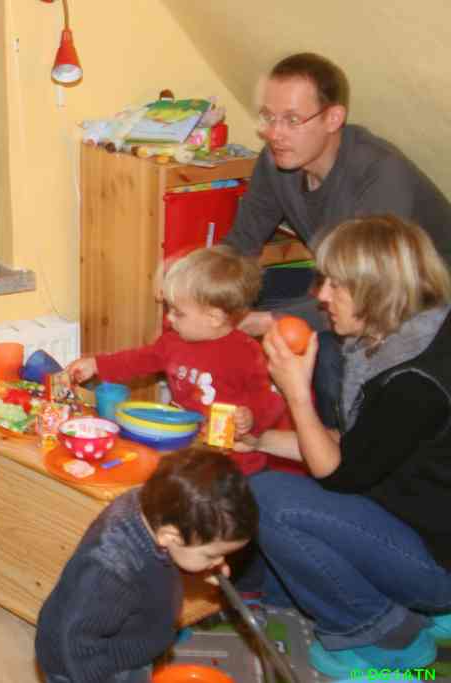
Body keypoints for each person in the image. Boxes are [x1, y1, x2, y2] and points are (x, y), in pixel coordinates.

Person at [240, 215, 451, 679]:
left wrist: (296, 392)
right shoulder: (411, 337)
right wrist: (257, 439)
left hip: (438, 558)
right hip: (426, 524)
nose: (321, 295)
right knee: (276, 515)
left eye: (337, 284)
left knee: (267, 499)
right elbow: (359, 447)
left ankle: (384, 632)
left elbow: (339, 473)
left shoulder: (413, 383)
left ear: (378, 290)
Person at [222, 52, 451, 426]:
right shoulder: (276, 160)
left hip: (416, 304)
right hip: (345, 287)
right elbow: (241, 243)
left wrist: (266, 321)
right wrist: (202, 285)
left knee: (328, 351)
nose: (274, 133)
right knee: (246, 296)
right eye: (268, 117)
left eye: (292, 120)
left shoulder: (380, 174)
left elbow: (366, 296)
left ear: (333, 118)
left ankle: (339, 444)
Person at [35, 450, 256, 683]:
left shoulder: (157, 507)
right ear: (170, 536)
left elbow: (168, 555)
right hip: (89, 667)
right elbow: (75, 643)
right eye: (213, 555)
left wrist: (204, 564)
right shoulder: (110, 573)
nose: (219, 562)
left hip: (128, 645)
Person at [67, 245, 288, 475]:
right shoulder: (172, 342)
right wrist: (96, 364)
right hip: (188, 446)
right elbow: (138, 360)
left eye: (178, 312)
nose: (169, 318)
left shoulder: (246, 353)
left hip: (233, 464)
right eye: (169, 309)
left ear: (214, 317)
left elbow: (270, 400)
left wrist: (251, 418)